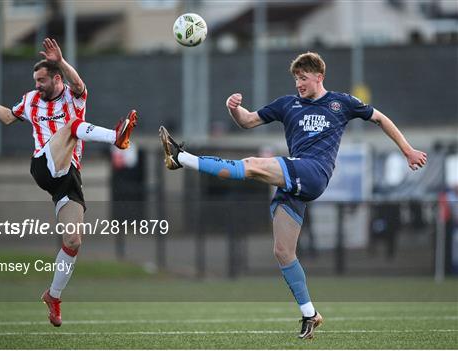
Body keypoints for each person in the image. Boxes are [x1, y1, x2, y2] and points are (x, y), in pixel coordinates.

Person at [158, 52, 427, 339]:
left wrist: (407, 149)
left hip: (314, 172)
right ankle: (310, 314)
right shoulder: (287, 104)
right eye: (296, 78)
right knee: (283, 252)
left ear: (319, 77)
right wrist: (233, 109)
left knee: (251, 166)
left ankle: (181, 158)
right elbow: (248, 121)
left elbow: (380, 119)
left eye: (303, 78)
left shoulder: (341, 103)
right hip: (294, 180)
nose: (298, 83)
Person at [0, 38, 138, 327]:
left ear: (57, 79)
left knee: (73, 240)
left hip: (68, 176)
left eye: (42, 80)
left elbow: (78, 82)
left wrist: (61, 60)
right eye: (35, 80)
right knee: (72, 127)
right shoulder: (30, 100)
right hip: (43, 165)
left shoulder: (73, 96)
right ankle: (117, 138)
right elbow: (8, 118)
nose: (37, 85)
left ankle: (54, 295)